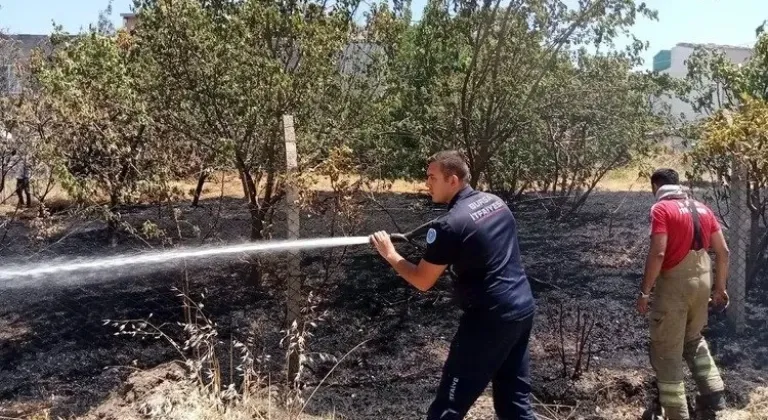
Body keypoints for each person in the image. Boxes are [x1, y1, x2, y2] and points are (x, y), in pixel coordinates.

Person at [369, 150, 536, 420]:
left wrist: (390, 254)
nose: (427, 184)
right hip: (522, 309)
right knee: (514, 405)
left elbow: (423, 280)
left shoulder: (448, 226)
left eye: (432, 177)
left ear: (453, 180)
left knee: (447, 408)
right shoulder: (495, 202)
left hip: (487, 321)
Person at [638, 168, 729, 420]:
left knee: (667, 351)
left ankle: (676, 414)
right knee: (693, 340)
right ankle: (714, 400)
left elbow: (658, 253)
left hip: (674, 289)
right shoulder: (703, 208)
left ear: (656, 186)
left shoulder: (660, 210)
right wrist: (720, 289)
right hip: (702, 284)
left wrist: (645, 292)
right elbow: (723, 252)